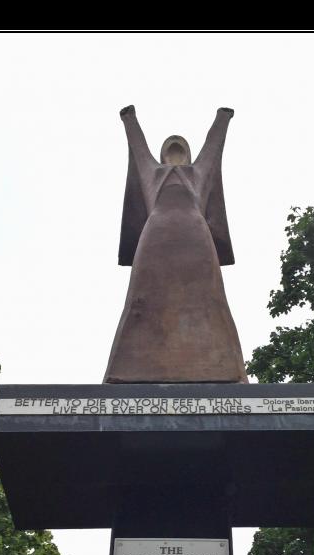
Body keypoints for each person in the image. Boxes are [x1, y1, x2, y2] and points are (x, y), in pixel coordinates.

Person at [103, 105, 248, 384]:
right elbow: (137, 147)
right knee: (141, 300)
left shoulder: (199, 173)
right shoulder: (151, 173)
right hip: (155, 240)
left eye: (181, 143)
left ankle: (229, 372)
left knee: (211, 300)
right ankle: (123, 373)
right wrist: (129, 119)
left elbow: (213, 147)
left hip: (197, 241)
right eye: (169, 143)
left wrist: (223, 118)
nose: (175, 143)